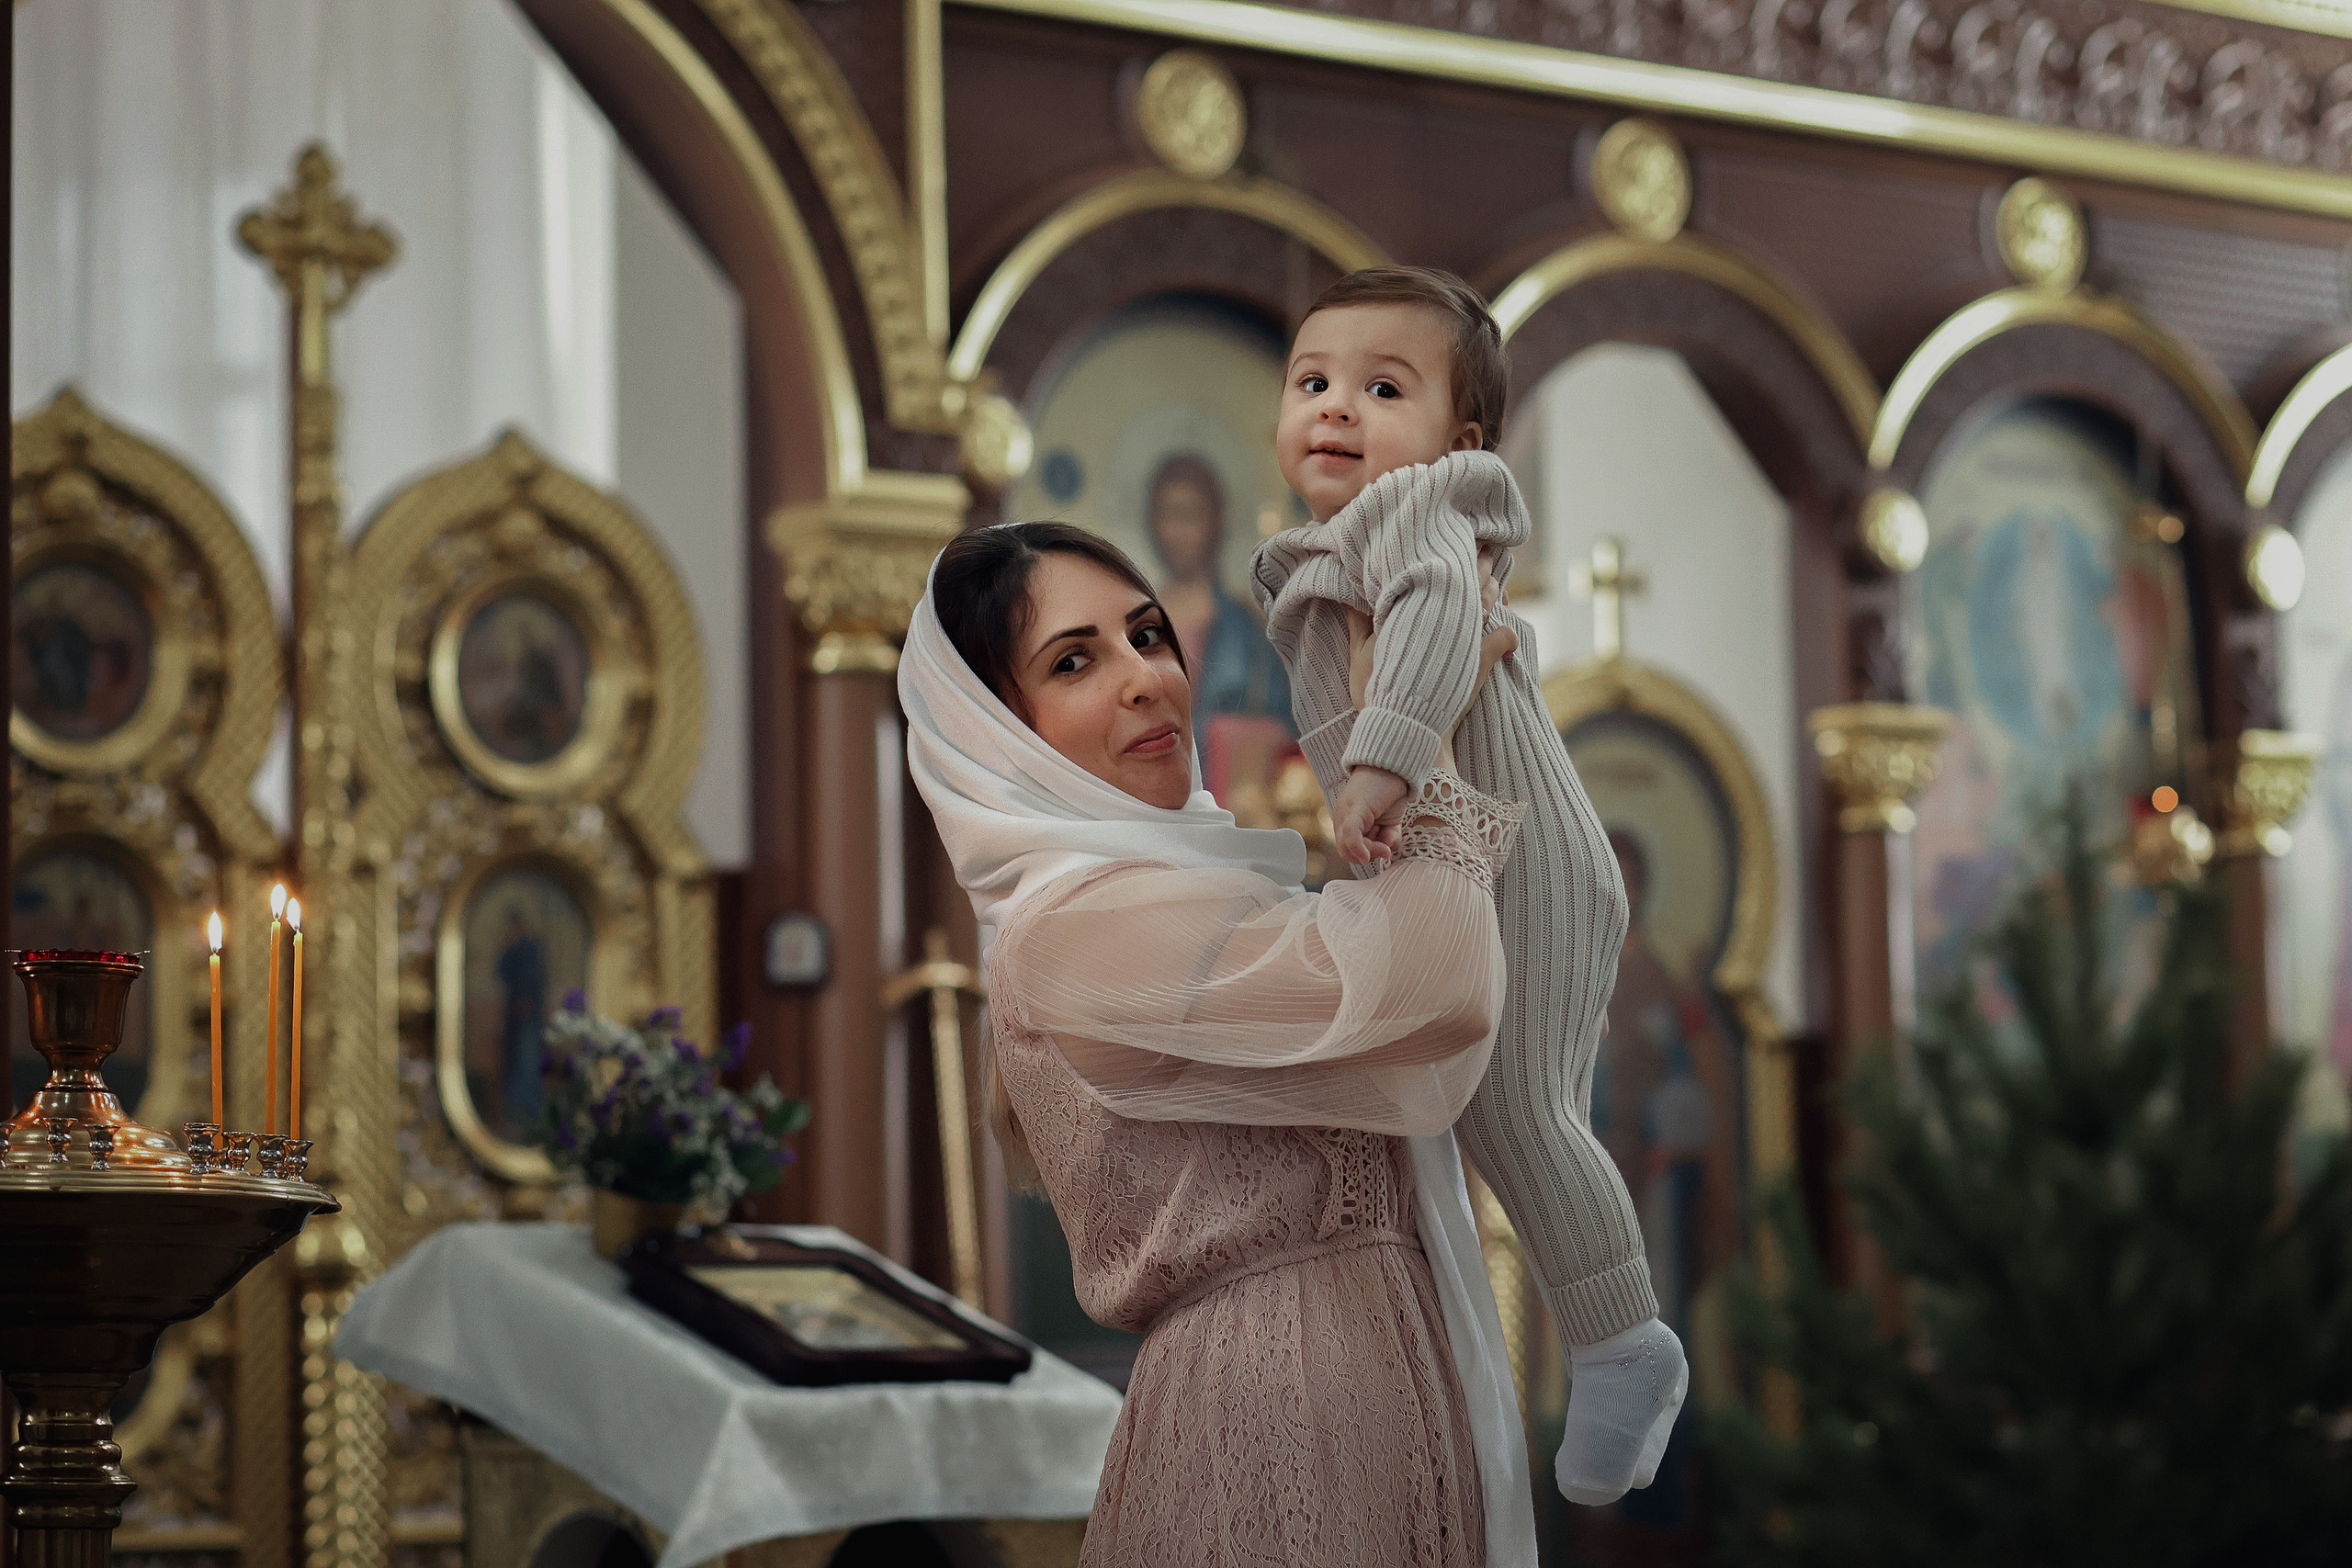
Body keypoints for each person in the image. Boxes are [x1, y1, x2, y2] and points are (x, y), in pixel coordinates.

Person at [900, 519, 1535, 1564]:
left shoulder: (1205, 896)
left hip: (1377, 1403)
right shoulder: (1072, 933)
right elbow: (1438, 990)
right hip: (1269, 1432)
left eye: (1148, 636)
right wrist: (1420, 728)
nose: (1146, 677)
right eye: (1074, 660)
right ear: (993, 731)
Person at [1251, 265, 1686, 1506]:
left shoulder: (1421, 511)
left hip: (1522, 855)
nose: (1335, 406)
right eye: (1313, 379)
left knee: (1522, 1106)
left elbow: (1441, 616)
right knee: (1479, 1099)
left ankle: (1620, 1340)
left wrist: (1383, 762)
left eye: (1382, 386)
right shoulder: (1329, 545)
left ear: (1462, 438)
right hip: (1457, 846)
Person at [1141, 454, 1295, 805]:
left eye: (1190, 516)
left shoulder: (1249, 629)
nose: (1177, 531)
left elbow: (1283, 725)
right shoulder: (1132, 625)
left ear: (1216, 523)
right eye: (1167, 515)